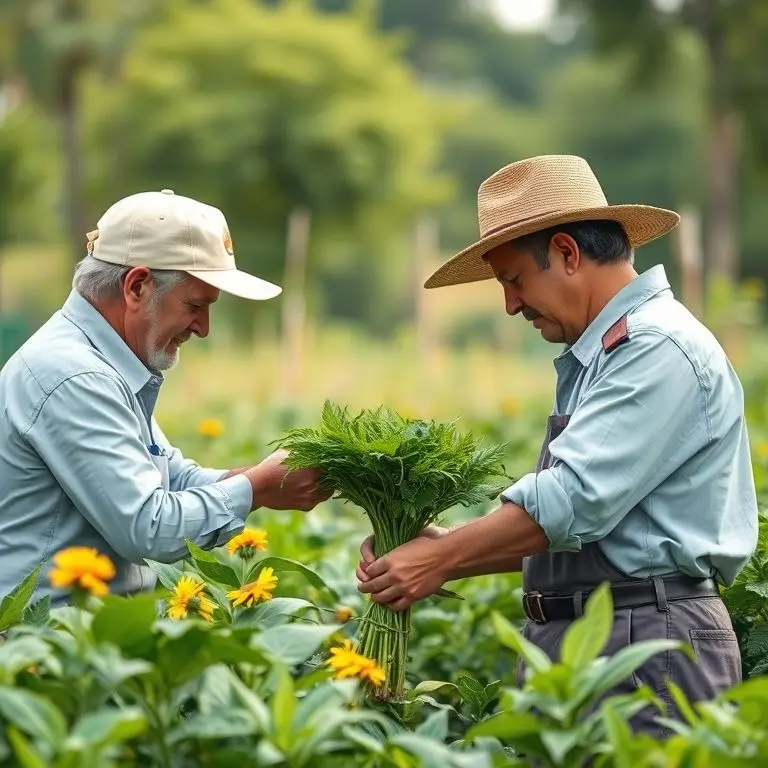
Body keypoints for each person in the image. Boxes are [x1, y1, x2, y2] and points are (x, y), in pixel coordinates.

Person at [356, 155, 759, 736]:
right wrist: (450, 550)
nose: (511, 305)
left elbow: (571, 500)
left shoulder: (657, 347)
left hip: (646, 650)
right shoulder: (605, 354)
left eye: (515, 281)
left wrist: (440, 559)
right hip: (602, 635)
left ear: (568, 254)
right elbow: (595, 533)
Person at [0, 189, 332, 606]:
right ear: (137, 286)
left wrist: (264, 475)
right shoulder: (74, 375)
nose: (204, 327)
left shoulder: (106, 362)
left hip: (86, 636)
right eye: (195, 304)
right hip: (42, 649)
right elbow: (148, 526)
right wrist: (256, 488)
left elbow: (170, 477)